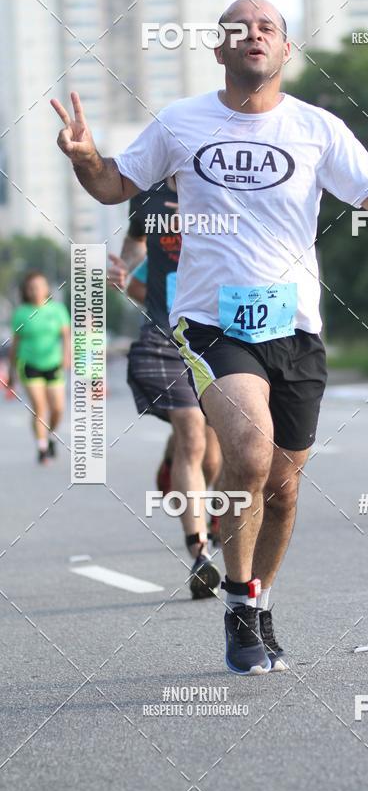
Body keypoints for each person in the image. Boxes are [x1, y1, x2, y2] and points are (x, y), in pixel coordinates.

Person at [51, 0, 368, 675]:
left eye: (268, 28)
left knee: (285, 488)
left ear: (285, 50)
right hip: (212, 323)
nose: (255, 35)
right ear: (220, 49)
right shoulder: (181, 123)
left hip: (296, 327)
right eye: (240, 27)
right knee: (250, 451)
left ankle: (260, 601)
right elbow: (114, 185)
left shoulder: (317, 129)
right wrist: (85, 155)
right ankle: (236, 602)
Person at [108, 181, 223, 598]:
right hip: (163, 338)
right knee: (193, 428)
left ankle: (180, 467)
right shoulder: (149, 196)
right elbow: (136, 239)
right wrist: (124, 266)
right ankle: (199, 553)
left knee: (214, 453)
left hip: (217, 334)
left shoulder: (225, 185)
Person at [8, 271, 70, 464]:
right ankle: (42, 448)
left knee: (58, 408)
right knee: (39, 407)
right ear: (26, 291)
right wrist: (11, 371)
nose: (35, 291)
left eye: (39, 286)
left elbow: (66, 336)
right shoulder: (21, 313)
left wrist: (67, 356)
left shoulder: (57, 310)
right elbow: (15, 344)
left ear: (46, 289)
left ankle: (51, 436)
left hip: (53, 363)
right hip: (29, 364)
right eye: (31, 288)